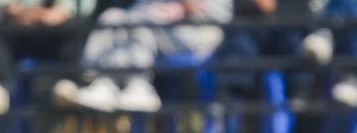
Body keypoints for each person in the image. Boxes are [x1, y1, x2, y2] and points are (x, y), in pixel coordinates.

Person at [52, 0, 232, 114]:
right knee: (112, 16)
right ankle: (102, 82)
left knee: (141, 21)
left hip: (200, 31)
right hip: (163, 25)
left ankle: (139, 85)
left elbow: (213, 11)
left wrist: (180, 6)